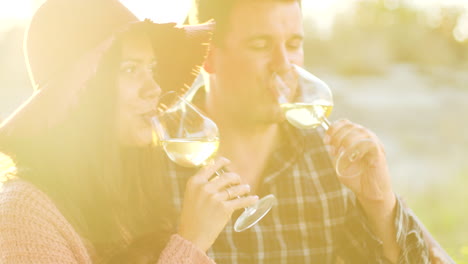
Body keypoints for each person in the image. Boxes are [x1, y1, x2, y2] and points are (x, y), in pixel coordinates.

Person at [162, 0, 453, 263]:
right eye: (260, 45)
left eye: (293, 44)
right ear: (208, 57)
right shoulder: (155, 152)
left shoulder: (333, 160)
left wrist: (379, 203)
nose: (283, 65)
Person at [0, 0, 258, 263]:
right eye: (130, 69)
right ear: (80, 91)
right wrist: (193, 242)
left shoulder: (131, 191)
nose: (154, 89)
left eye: (152, 69)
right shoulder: (24, 212)